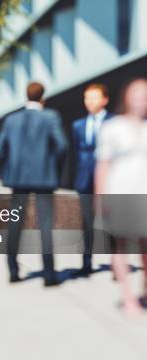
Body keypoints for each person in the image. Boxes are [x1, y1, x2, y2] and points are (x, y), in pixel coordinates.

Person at [0, 82, 67, 287]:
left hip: (17, 178)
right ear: (43, 97)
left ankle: (13, 271)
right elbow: (62, 146)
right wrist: (55, 168)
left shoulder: (11, 120)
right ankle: (49, 274)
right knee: (45, 224)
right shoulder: (51, 117)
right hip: (44, 177)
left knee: (15, 223)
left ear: (25, 96)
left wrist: (6, 169)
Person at [95, 78, 147, 318]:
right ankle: (128, 297)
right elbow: (103, 165)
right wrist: (99, 199)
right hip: (120, 194)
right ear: (126, 96)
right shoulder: (112, 127)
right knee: (121, 248)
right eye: (137, 94)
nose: (141, 99)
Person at [71, 83, 113, 277]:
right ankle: (86, 264)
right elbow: (76, 153)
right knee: (86, 222)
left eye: (94, 97)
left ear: (105, 99)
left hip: (109, 179)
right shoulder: (78, 125)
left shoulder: (115, 122)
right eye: (87, 98)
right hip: (84, 179)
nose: (90, 101)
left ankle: (116, 264)